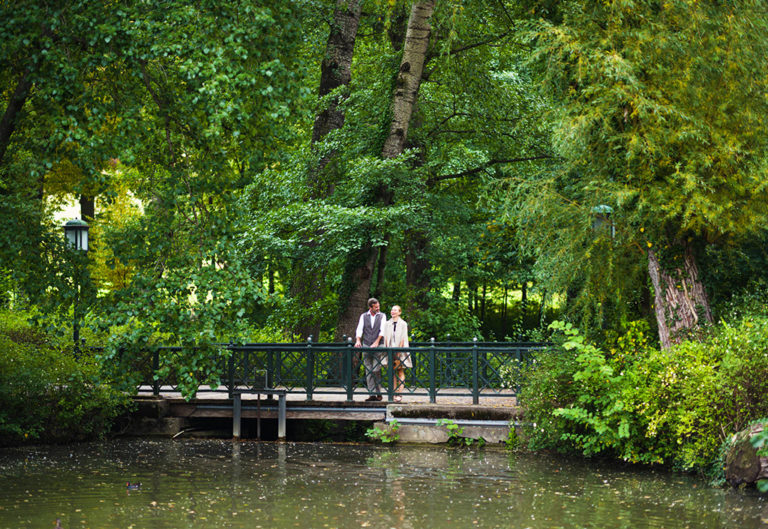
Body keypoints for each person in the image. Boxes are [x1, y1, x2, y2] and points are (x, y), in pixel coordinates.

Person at [355, 297, 385, 401]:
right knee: (368, 370)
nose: (378, 308)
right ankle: (372, 394)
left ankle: (379, 392)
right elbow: (359, 329)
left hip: (378, 345)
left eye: (378, 306)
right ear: (370, 307)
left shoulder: (382, 316)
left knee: (376, 369)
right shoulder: (363, 316)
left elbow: (383, 331)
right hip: (367, 344)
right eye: (376, 307)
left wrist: (376, 342)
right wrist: (358, 340)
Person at [383, 305, 411, 403]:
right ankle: (394, 393)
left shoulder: (403, 324)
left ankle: (400, 393)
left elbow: (403, 338)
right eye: (392, 310)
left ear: (399, 312)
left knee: (400, 371)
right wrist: (386, 349)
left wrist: (399, 351)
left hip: (401, 350)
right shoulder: (387, 323)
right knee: (392, 372)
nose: (393, 311)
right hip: (390, 350)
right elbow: (385, 337)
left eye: (395, 310)